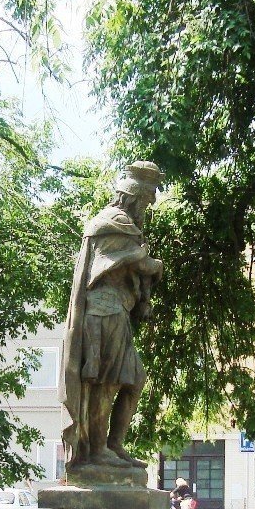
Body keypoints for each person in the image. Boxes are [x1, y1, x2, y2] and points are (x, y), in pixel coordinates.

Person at [61, 161, 165, 470]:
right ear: (134, 197)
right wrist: (153, 264)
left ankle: (113, 444)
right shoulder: (113, 223)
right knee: (107, 382)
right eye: (147, 200)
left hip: (115, 310)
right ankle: (97, 450)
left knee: (134, 379)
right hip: (103, 312)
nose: (147, 207)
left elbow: (131, 262)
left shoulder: (123, 226)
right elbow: (130, 262)